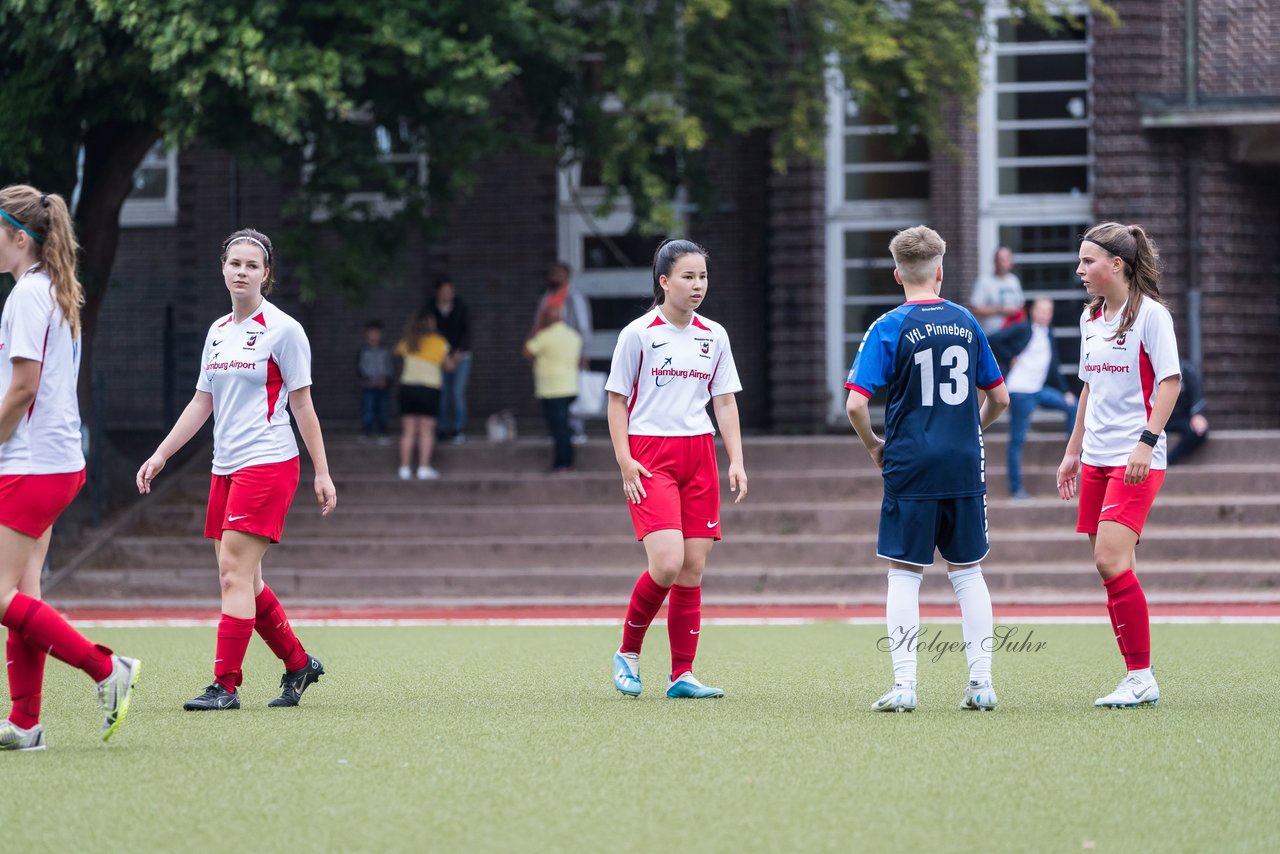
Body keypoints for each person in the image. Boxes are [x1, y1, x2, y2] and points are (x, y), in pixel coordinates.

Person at [137, 227, 336, 711]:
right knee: (247, 580)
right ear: (222, 268)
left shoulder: (284, 330)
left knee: (232, 574)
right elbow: (202, 402)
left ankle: (225, 685)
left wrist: (322, 472)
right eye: (235, 263)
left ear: (266, 274)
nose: (242, 271)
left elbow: (304, 405)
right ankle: (298, 663)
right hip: (223, 466)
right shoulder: (217, 331)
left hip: (268, 462)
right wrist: (162, 453)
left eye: (252, 265)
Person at [845, 225, 1009, 713]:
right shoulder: (965, 320)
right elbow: (999, 397)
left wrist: (874, 444)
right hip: (962, 463)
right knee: (967, 572)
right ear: (940, 271)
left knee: (904, 571)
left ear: (898, 275)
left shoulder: (888, 327)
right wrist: (972, 430)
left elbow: (856, 404)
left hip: (911, 461)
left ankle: (905, 686)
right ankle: (981, 684)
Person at [0, 185, 140, 750]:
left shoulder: (27, 297)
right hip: (53, 461)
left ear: (17, 237)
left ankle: (107, 670)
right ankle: (26, 724)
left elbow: (23, 388)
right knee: (24, 592)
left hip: (32, 463)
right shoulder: (48, 291)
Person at [606, 239, 747, 700]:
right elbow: (617, 401)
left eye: (703, 277)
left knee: (691, 570)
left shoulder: (715, 335)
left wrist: (736, 460)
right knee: (666, 564)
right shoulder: (639, 334)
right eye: (688, 277)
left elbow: (723, 401)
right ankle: (628, 653)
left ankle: (682, 675)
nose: (697, 285)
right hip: (651, 457)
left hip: (699, 454)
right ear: (664, 281)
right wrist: (626, 461)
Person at [1056, 222, 1181, 709]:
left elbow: (1169, 384)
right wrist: (1072, 451)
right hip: (1095, 458)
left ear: (1117, 265)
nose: (1080, 269)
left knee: (1108, 559)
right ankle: (1137, 675)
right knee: (1114, 566)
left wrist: (1146, 443)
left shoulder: (1152, 316)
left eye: (1088, 261)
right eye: (1080, 260)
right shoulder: (1090, 318)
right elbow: (1089, 388)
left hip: (1136, 458)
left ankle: (1140, 675)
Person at [988, 298, 1078, 501]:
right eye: (1042, 311)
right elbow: (993, 339)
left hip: (1039, 390)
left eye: (1049, 311)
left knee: (1074, 406)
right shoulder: (1022, 329)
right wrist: (1010, 356)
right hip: (1020, 391)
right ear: (1033, 311)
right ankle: (1016, 489)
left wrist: (1065, 391)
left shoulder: (1049, 334)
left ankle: (1072, 455)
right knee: (1017, 440)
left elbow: (1054, 367)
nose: (1045, 315)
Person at [535, 262, 592, 443]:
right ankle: (556, 431)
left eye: (559, 273)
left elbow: (583, 327)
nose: (555, 277)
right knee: (551, 395)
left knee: (573, 391)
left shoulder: (574, 297)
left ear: (567, 276)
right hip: (549, 354)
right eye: (553, 273)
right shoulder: (546, 297)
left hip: (569, 352)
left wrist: (584, 352)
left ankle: (576, 429)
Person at [523, 304, 582, 473]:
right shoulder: (573, 336)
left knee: (558, 429)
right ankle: (567, 461)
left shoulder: (544, 336)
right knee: (564, 426)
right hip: (570, 386)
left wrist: (535, 329)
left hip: (551, 389)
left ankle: (562, 463)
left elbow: (527, 351)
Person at [395, 311, 450, 480]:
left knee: (408, 430)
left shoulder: (409, 342)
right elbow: (449, 365)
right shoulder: (439, 342)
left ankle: (404, 468)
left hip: (407, 387)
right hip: (429, 388)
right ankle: (423, 468)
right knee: (426, 431)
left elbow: (395, 352)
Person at [431, 275, 471, 444]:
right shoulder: (430, 309)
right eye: (444, 291)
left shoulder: (461, 307)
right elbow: (431, 334)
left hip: (461, 356)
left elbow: (467, 332)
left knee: (457, 392)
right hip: (439, 357)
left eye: (450, 291)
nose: (448, 294)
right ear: (438, 292)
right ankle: (441, 429)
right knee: (442, 394)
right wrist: (442, 355)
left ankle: (457, 429)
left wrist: (456, 354)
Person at [970, 246, 1026, 335]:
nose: (1003, 263)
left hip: (1012, 334)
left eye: (1006, 259)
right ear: (995, 261)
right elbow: (975, 309)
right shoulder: (985, 281)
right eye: (1000, 259)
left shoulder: (1014, 280)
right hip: (992, 334)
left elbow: (1020, 307)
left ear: (1011, 262)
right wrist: (1000, 310)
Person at [357, 319, 394, 444]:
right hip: (368, 385)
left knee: (383, 409)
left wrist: (387, 380)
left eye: (377, 333)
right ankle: (366, 432)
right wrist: (368, 380)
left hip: (383, 385)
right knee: (368, 409)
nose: (375, 336)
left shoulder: (385, 350)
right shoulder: (364, 350)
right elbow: (359, 368)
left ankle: (383, 432)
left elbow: (390, 367)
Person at [1167, 358, 1209, 465]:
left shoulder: (1185, 369)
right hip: (1157, 417)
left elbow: (1197, 395)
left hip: (1180, 418)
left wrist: (1197, 414)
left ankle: (1169, 460)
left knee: (1198, 431)